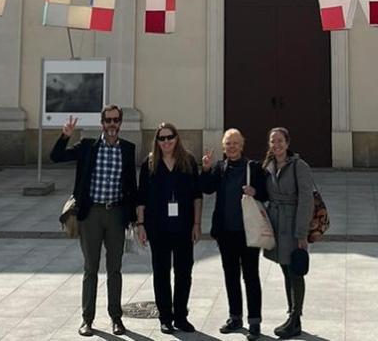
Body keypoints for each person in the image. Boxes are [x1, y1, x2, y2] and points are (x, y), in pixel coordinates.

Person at [50, 105, 136, 337]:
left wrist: (134, 219)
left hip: (116, 214)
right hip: (91, 215)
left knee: (114, 269)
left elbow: (132, 186)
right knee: (91, 268)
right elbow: (56, 157)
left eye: (115, 120)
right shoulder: (88, 147)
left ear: (120, 123)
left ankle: (116, 318)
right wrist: (65, 136)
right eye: (108, 120)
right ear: (102, 123)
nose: (112, 125)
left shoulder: (128, 149)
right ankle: (87, 320)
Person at [200, 129, 269, 340]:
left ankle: (254, 321)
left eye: (235, 143)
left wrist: (255, 192)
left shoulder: (254, 168)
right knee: (231, 276)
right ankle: (235, 317)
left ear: (242, 145)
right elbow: (207, 189)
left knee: (251, 276)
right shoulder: (220, 168)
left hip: (248, 233)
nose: (232, 147)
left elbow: (267, 193)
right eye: (228, 143)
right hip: (225, 232)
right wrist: (205, 169)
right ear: (223, 146)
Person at [134, 122, 203, 334]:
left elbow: (197, 196)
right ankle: (165, 317)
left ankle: (181, 316)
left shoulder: (188, 161)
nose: (166, 142)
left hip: (183, 227)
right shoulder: (150, 163)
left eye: (169, 137)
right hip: (158, 227)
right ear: (157, 141)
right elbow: (142, 196)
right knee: (161, 273)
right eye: (161, 138)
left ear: (176, 138)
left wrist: (197, 224)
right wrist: (140, 224)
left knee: (184, 272)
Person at [262, 127, 315, 339]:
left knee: (295, 271)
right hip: (276, 222)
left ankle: (295, 318)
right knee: (286, 269)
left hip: (292, 224)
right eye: (273, 141)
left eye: (280, 141)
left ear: (287, 142)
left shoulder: (299, 166)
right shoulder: (269, 165)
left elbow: (306, 200)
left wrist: (301, 233)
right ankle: (292, 315)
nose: (276, 145)